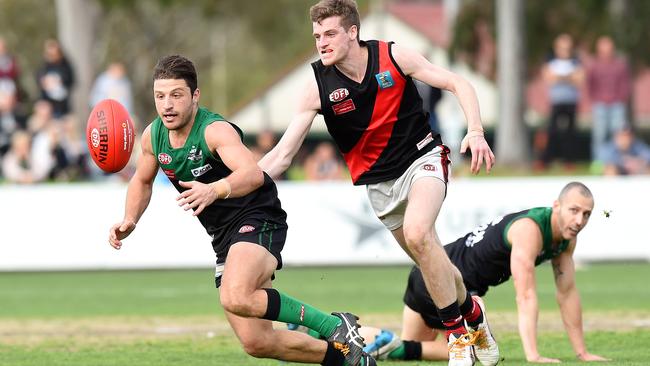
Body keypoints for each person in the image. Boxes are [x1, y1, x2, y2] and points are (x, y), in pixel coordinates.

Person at [258, 1, 497, 365]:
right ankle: (475, 318)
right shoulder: (316, 87)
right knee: (434, 262)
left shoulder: (392, 56)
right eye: (317, 36)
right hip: (380, 188)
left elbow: (456, 81)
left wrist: (476, 131)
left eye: (330, 34)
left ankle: (457, 338)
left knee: (419, 234)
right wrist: (232, 187)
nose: (321, 42)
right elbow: (282, 156)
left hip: (423, 160)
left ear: (353, 32)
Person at [107, 55, 375, 366]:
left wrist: (214, 189)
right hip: (224, 237)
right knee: (257, 342)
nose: (167, 104)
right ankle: (349, 360)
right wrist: (130, 219)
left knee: (235, 295)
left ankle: (334, 325)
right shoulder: (154, 136)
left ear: (195, 95)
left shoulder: (214, 130)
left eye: (176, 95)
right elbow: (142, 181)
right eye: (160, 96)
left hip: (258, 218)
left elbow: (252, 173)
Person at [357, 182, 610, 363]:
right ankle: (353, 341)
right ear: (557, 206)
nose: (579, 221)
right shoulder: (529, 230)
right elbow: (525, 295)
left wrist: (582, 353)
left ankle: (354, 338)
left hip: (428, 274)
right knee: (469, 352)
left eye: (586, 214)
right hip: (449, 284)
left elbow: (567, 294)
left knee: (407, 349)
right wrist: (533, 356)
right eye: (574, 210)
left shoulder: (566, 240)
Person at [541, 34, 584, 169]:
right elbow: (549, 78)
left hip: (571, 101)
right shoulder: (551, 62)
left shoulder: (576, 62)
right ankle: (546, 160)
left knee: (570, 133)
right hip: (556, 102)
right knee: (552, 131)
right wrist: (568, 77)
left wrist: (560, 77)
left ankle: (569, 160)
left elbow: (579, 80)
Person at [587, 36, 631, 161]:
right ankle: (598, 162)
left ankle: (618, 161)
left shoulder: (620, 65)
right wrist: (596, 98)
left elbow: (625, 83)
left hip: (617, 104)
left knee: (619, 135)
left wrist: (621, 98)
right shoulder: (594, 65)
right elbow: (590, 84)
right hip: (600, 104)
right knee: (599, 136)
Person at [36, 39, 75, 118]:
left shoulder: (65, 65)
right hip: (48, 104)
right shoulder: (44, 67)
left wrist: (60, 81)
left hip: (62, 105)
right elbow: (39, 79)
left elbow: (71, 80)